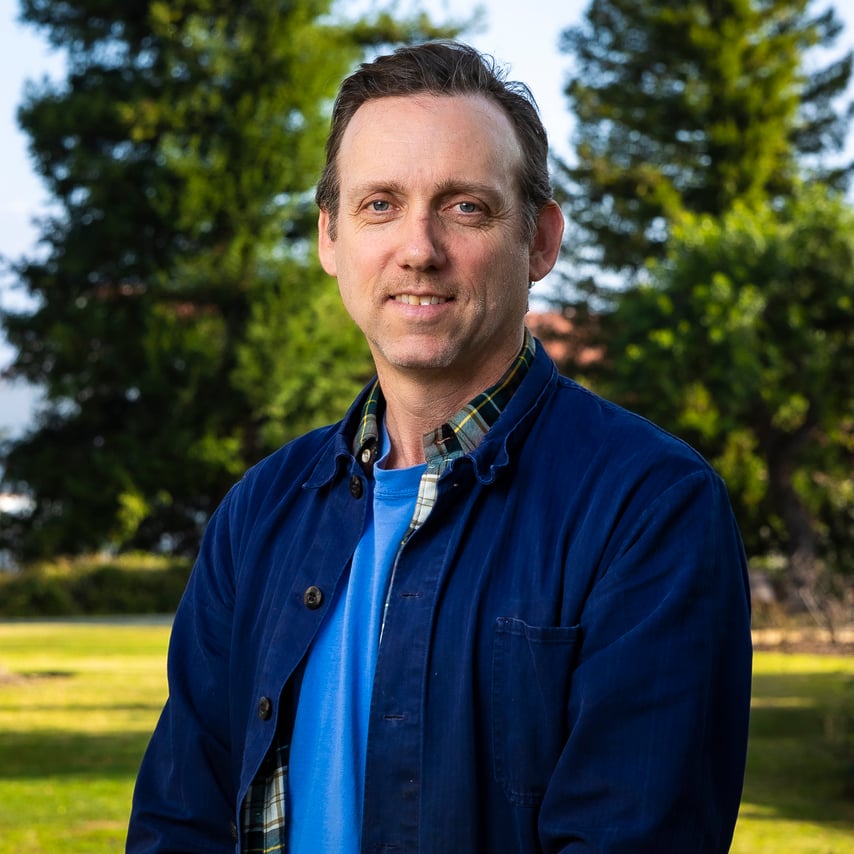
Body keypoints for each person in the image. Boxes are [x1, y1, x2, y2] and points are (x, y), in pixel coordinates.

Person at [126, 41, 752, 853]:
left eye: (465, 207)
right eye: (380, 204)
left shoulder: (650, 508)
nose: (418, 248)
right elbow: (180, 821)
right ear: (330, 238)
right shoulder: (260, 513)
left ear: (541, 242)